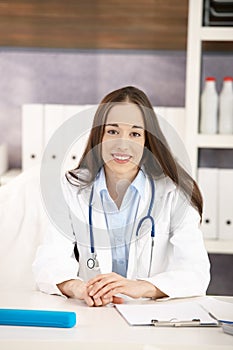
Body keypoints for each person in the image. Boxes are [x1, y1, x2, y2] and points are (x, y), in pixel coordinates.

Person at [33, 86, 210, 307]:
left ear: (147, 140)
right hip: (94, 313)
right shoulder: (72, 188)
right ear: (99, 135)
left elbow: (196, 272)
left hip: (152, 316)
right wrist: (80, 288)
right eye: (113, 131)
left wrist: (140, 287)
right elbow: (49, 262)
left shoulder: (173, 192)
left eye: (135, 134)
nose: (122, 144)